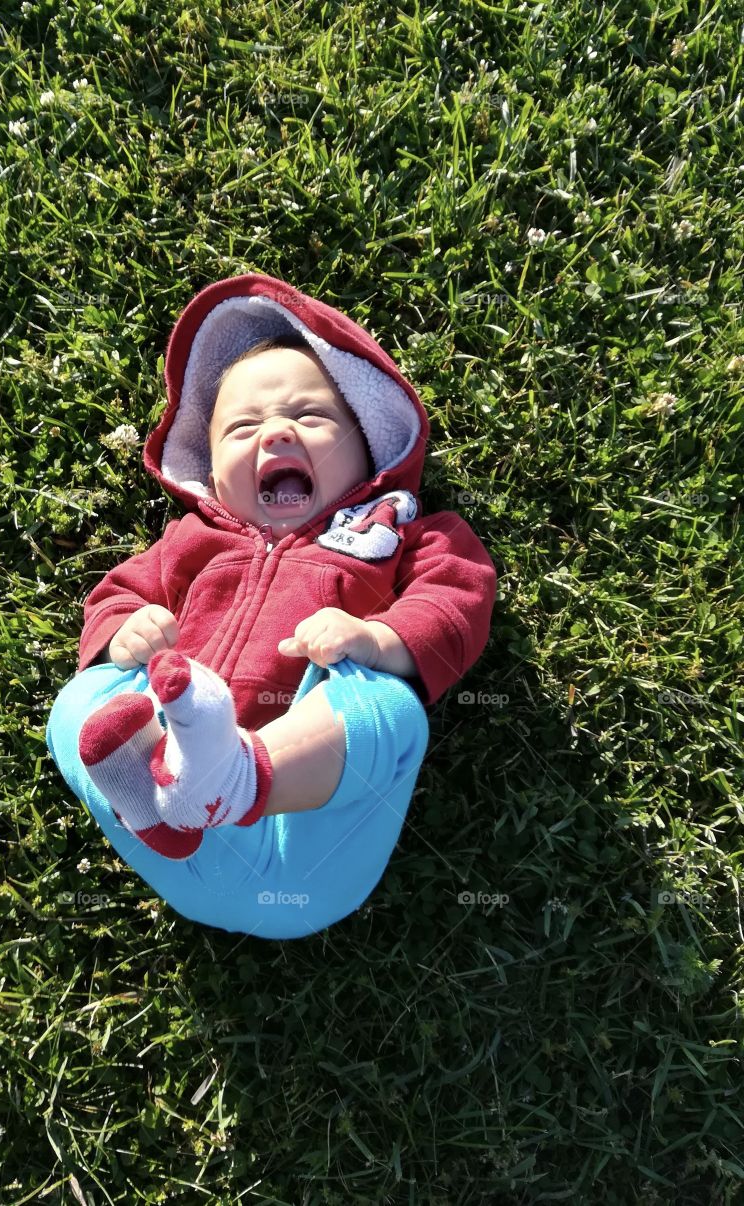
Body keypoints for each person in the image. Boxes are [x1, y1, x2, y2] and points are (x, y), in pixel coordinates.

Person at [46, 273, 497, 939]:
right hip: (183, 849)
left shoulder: (396, 529)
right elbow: (115, 594)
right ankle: (161, 789)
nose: (277, 433)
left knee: (388, 710)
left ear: (368, 444)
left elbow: (458, 594)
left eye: (311, 418)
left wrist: (377, 641)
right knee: (79, 703)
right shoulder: (190, 542)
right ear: (212, 472)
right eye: (244, 426)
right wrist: (124, 633)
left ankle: (237, 777)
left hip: (308, 849)